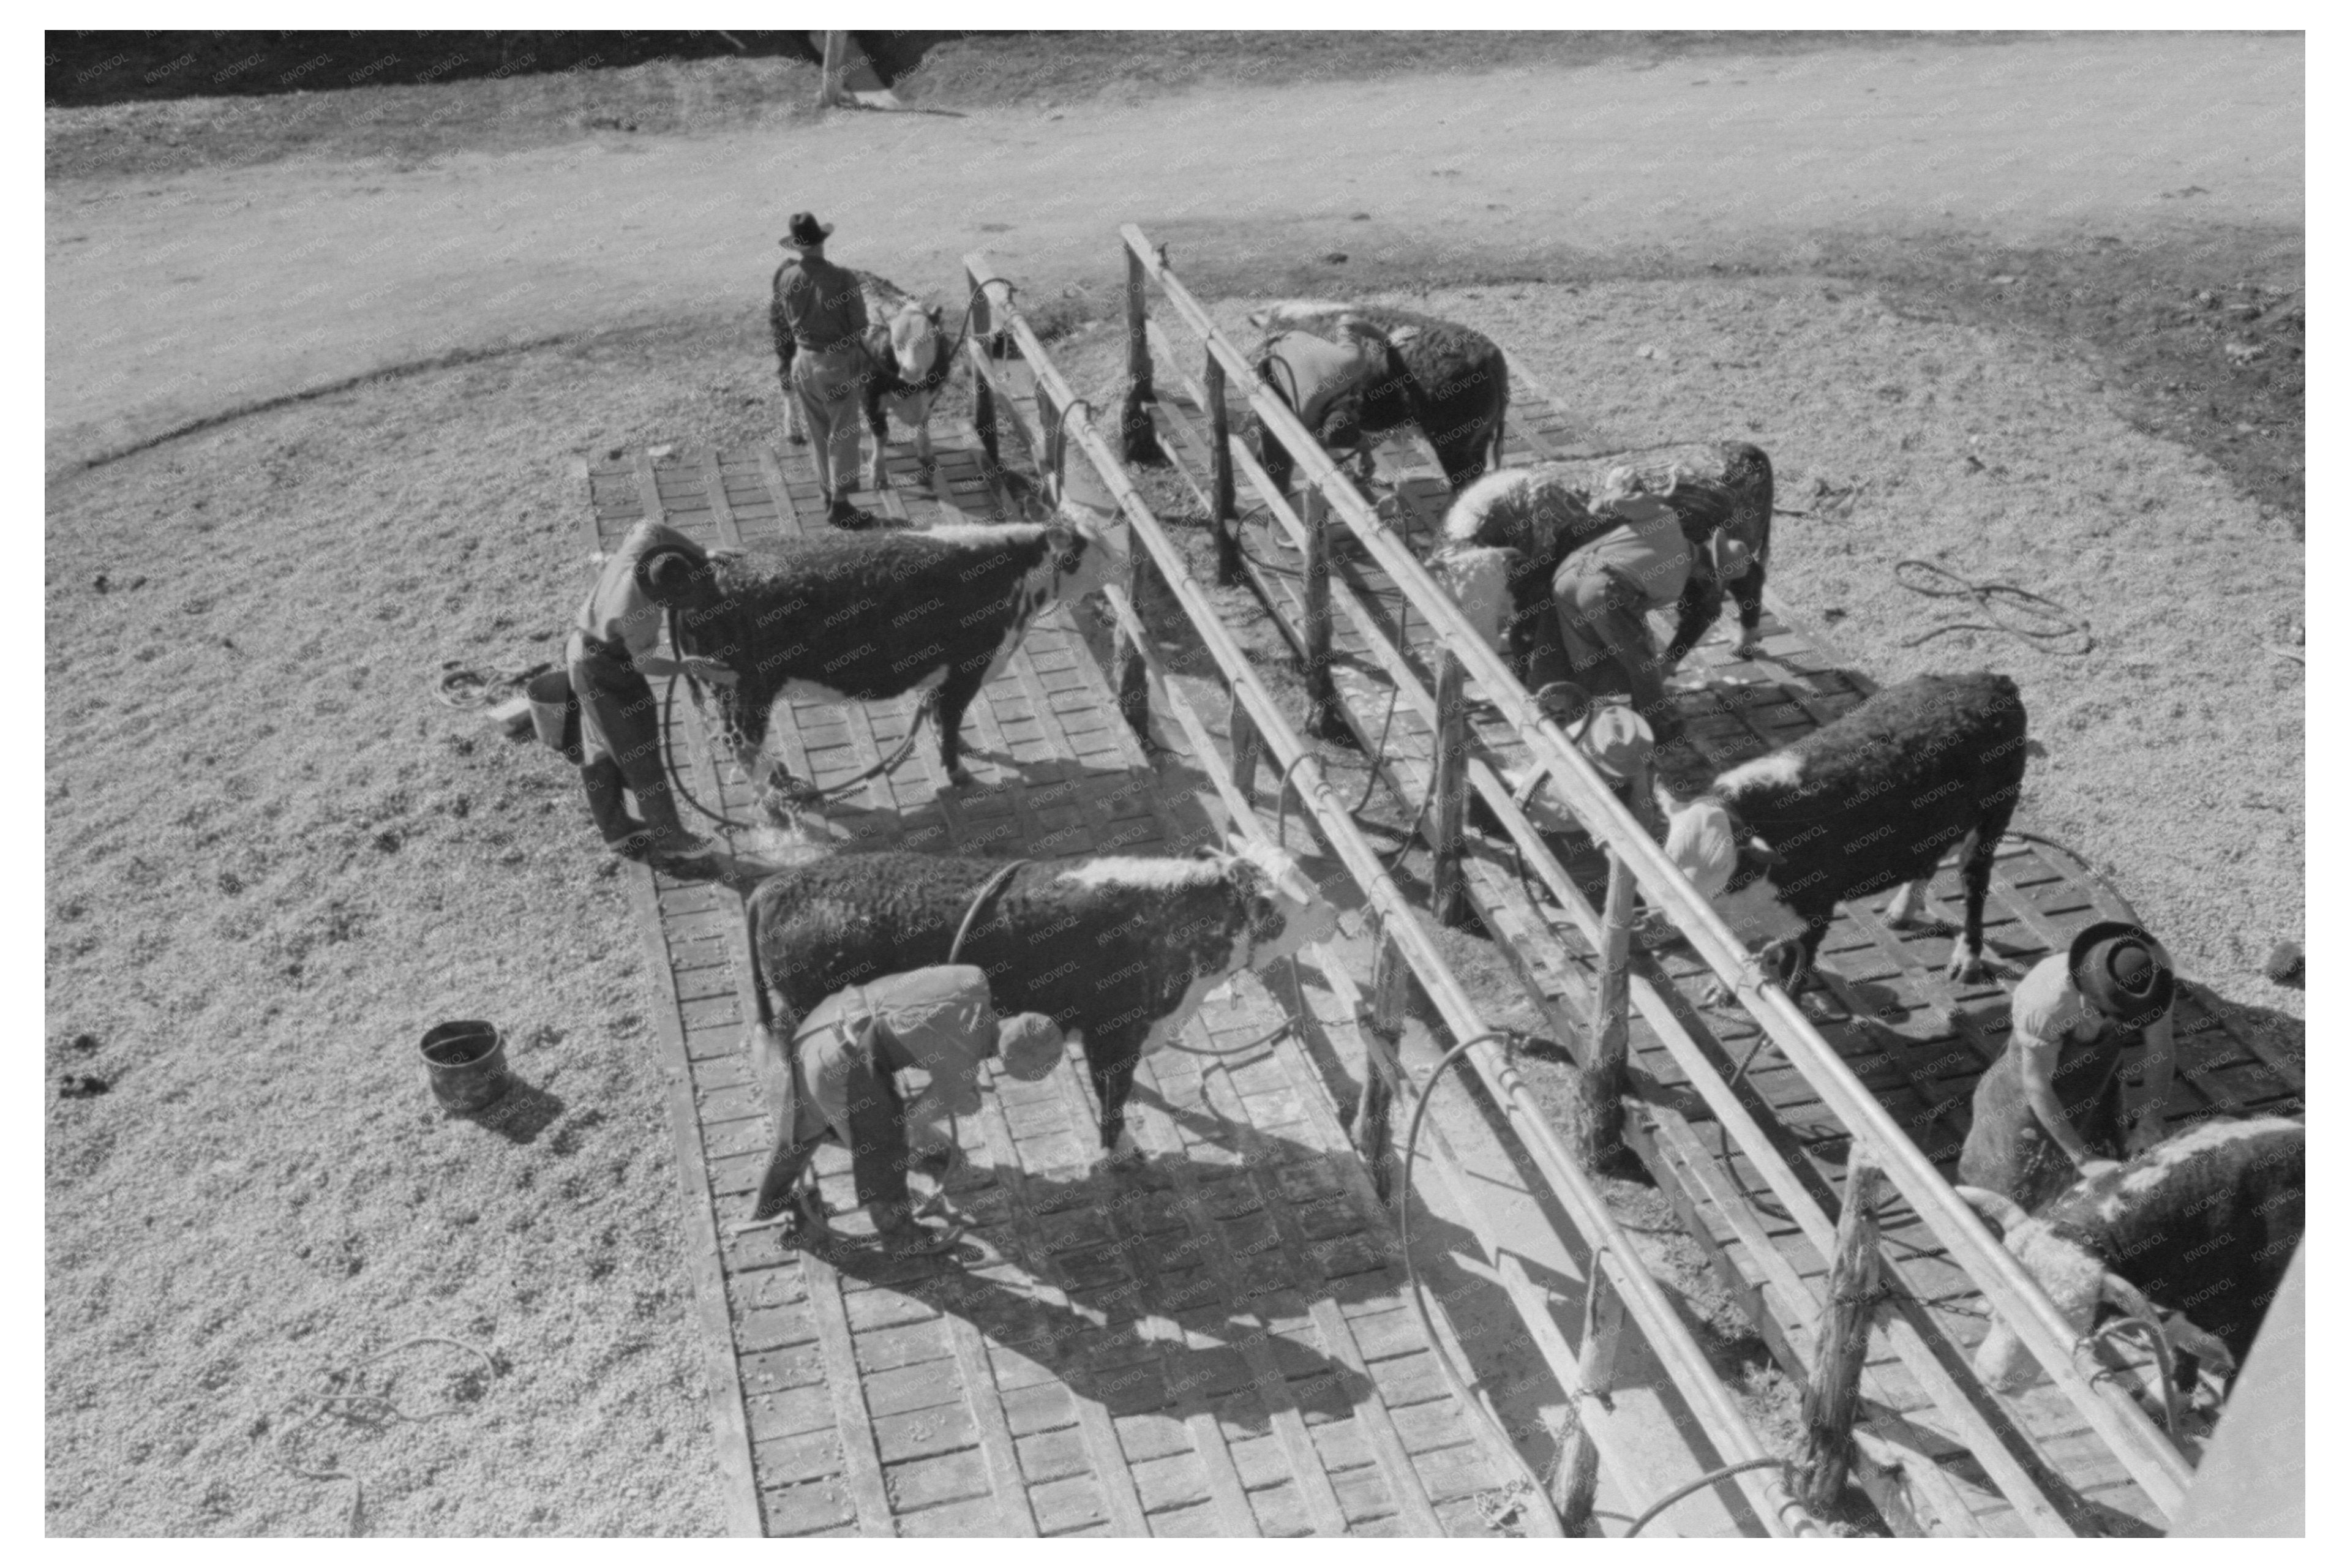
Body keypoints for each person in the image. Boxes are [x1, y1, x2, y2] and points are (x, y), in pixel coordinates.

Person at [748, 965, 1066, 1253]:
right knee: (883, 1144)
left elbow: (938, 1027)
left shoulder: (972, 978)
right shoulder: (962, 1068)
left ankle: (770, 1201)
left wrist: (954, 1083)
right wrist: (953, 1098)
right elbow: (912, 1123)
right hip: (843, 1064)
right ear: (1005, 1062)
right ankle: (901, 1235)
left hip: (821, 1024)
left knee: (803, 1126)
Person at [1958, 920, 2180, 1212]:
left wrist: (2151, 1120)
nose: (2112, 1023)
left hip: (2096, 1081)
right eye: (2105, 1013)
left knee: (2104, 1147)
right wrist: (2084, 1159)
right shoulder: (2046, 1003)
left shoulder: (2151, 981)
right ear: (2086, 990)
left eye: (2124, 1019)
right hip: (2031, 1090)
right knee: (2013, 1171)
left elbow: (2160, 1048)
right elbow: (2037, 1085)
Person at [568, 519, 739, 875]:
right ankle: (671, 839)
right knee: (640, 758)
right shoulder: (638, 613)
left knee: (601, 744)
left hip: (583, 647)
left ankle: (616, 830)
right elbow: (645, 663)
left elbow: (650, 526)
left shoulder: (644, 549)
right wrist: (690, 666)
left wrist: (699, 553)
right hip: (603, 671)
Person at [1547, 466, 1740, 748]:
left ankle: (1578, 724)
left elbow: (1616, 503)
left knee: (1585, 660)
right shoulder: (1674, 587)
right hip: (1604, 589)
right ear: (1709, 573)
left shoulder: (1666, 519)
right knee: (1643, 665)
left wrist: (1624, 497)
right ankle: (1657, 732)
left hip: (1567, 578)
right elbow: (1628, 622)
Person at [773, 211, 877, 527]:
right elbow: (860, 325)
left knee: (818, 430)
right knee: (843, 432)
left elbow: (785, 318)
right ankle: (841, 504)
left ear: (797, 246)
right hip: (833, 362)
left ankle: (827, 494)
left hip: (802, 361)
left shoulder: (787, 278)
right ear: (822, 241)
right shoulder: (842, 277)